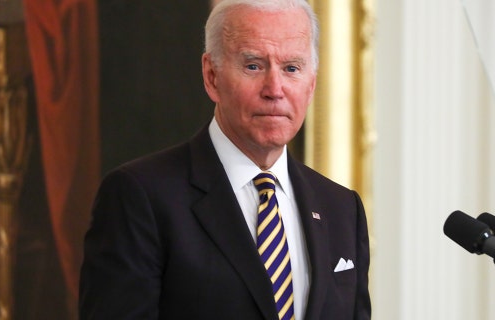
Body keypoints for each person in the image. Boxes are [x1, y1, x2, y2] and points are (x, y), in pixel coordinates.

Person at [78, 0, 371, 319]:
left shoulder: (342, 208)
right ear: (212, 76)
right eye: (254, 66)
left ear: (311, 84)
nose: (275, 89)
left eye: (291, 68)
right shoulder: (139, 197)